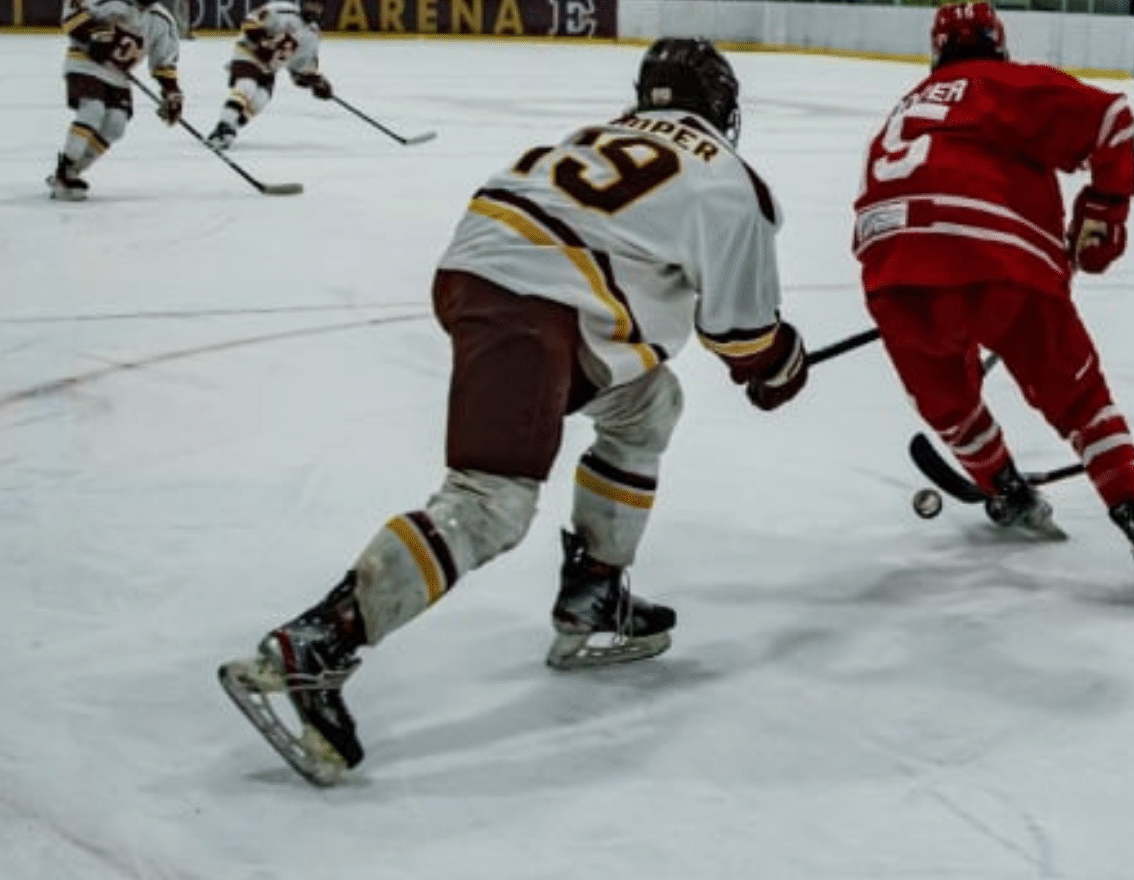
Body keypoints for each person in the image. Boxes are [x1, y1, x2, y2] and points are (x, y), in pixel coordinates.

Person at [218, 39, 810, 785]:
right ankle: (314, 646)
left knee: (649, 402)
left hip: (489, 276)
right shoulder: (729, 176)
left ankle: (594, 595)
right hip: (535, 306)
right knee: (492, 501)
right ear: (724, 106)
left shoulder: (599, 135)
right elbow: (740, 332)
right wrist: (781, 364)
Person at [853, 1, 1134, 605]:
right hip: (999, 264)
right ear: (998, 43)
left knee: (948, 401)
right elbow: (1112, 119)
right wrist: (1104, 214)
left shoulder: (902, 108)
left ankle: (1005, 487)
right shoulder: (1006, 83)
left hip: (891, 271)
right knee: (1080, 400)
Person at [47, 0, 184, 201]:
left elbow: (164, 63)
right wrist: (91, 36)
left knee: (116, 125)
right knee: (92, 110)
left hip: (118, 77)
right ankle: (63, 173)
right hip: (86, 62)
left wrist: (172, 93)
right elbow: (73, 6)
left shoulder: (163, 21)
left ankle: (73, 171)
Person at [207, 0, 332, 150]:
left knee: (260, 100)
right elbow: (249, 23)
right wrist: (265, 42)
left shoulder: (313, 36)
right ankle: (224, 125)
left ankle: (230, 128)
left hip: (269, 68)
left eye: (318, 5)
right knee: (247, 86)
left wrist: (315, 83)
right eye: (311, 3)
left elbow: (300, 71)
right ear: (304, 2)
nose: (314, 8)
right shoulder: (282, 10)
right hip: (248, 53)